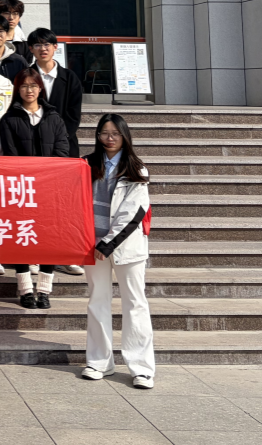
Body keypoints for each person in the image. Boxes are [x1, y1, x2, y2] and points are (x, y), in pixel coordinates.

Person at [83, 113, 154, 389]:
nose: (109, 138)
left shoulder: (136, 168)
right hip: (92, 245)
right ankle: (99, 362)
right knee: (97, 301)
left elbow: (134, 211)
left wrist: (108, 243)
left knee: (134, 304)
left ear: (124, 136)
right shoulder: (87, 164)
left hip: (126, 246)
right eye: (104, 133)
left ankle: (141, 368)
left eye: (115, 133)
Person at [0, 69, 69, 308]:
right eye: (24, 86)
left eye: (33, 85)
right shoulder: (9, 119)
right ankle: (26, 289)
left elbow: (62, 151)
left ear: (41, 89)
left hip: (50, 190)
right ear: (17, 90)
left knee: (49, 238)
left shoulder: (54, 118)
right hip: (21, 189)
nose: (29, 90)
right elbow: (10, 155)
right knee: (22, 236)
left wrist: (45, 177)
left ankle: (44, 290)